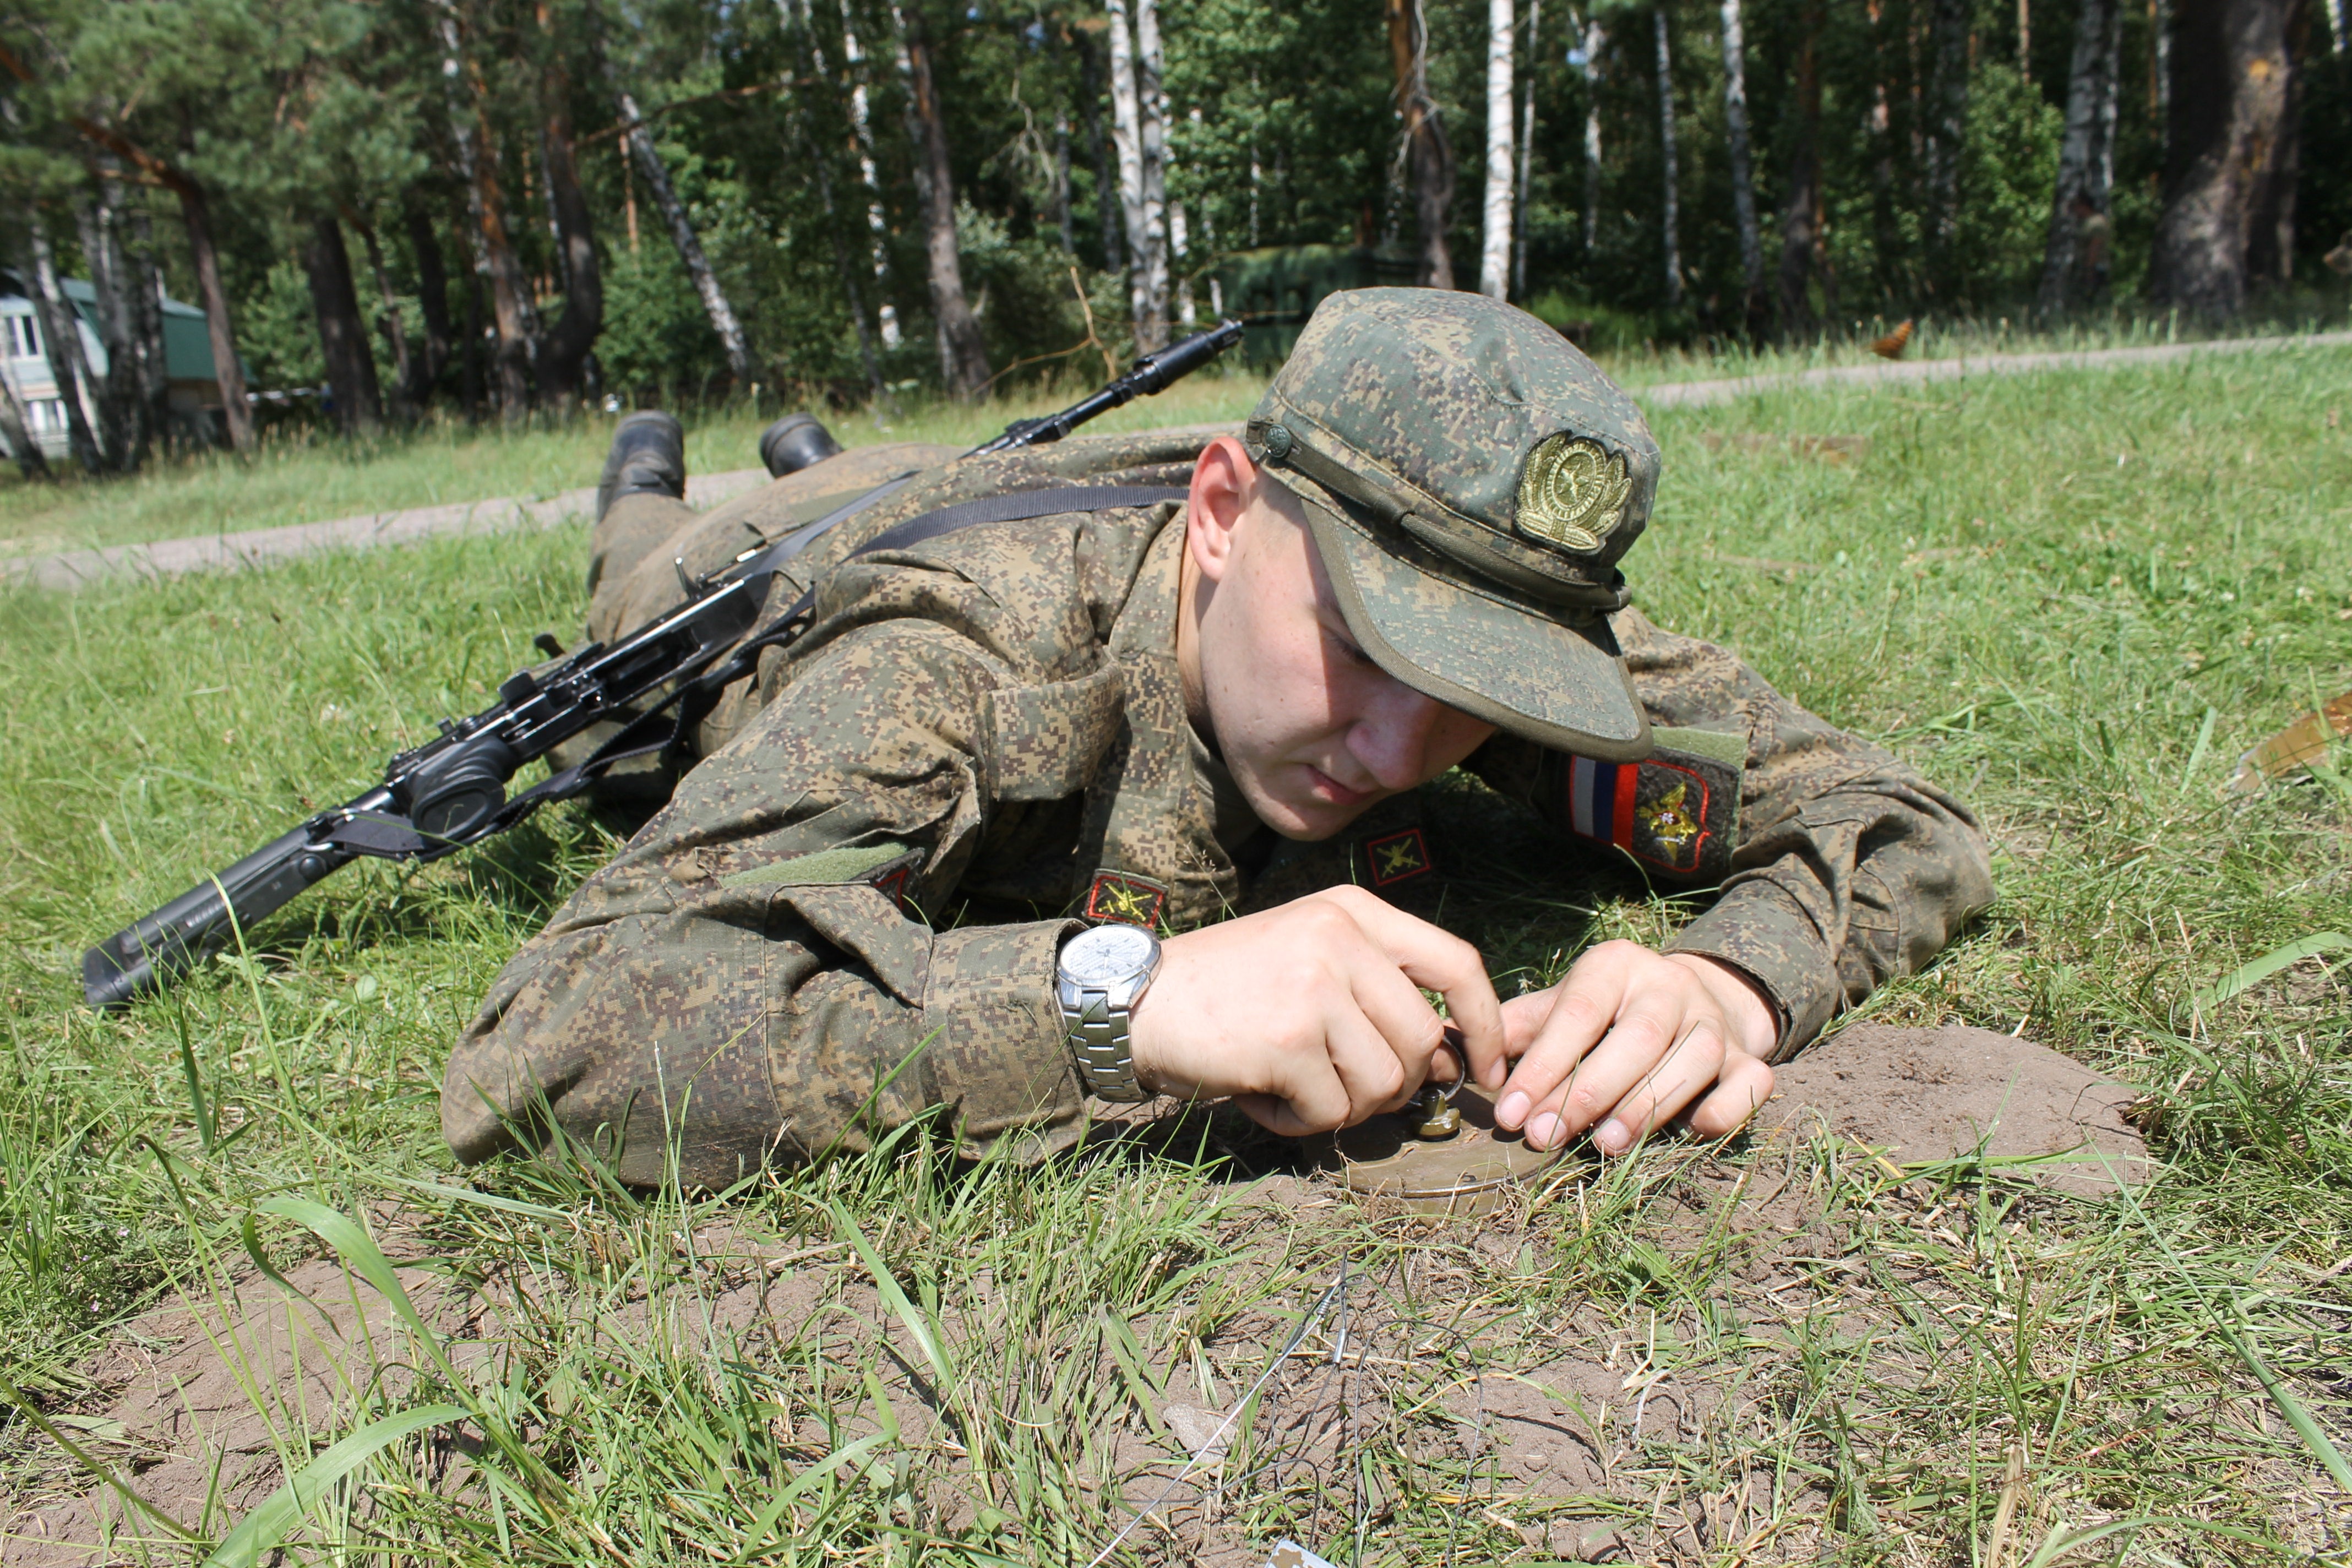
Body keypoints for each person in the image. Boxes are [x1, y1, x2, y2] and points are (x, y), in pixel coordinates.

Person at [442, 290, 1992, 1187]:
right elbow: (542, 1047)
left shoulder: (1463, 637)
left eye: (1468, 678)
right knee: (656, 557)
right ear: (1227, 513)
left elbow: (1897, 815)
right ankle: (646, 464)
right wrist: (1121, 1003)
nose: (1401, 741)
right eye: (1367, 641)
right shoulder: (952, 660)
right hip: (771, 565)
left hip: (997, 474)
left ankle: (812, 445)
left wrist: (1731, 981)